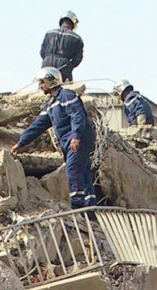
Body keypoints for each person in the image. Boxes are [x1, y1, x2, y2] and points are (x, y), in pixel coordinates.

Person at [12, 67, 96, 210]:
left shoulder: (66, 96)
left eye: (42, 82)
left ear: (51, 81)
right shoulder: (51, 104)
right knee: (82, 169)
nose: (40, 86)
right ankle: (90, 206)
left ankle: (78, 205)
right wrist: (21, 142)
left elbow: (77, 115)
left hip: (78, 138)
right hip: (68, 141)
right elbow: (37, 126)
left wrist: (76, 135)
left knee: (72, 170)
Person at [40, 11, 83, 82]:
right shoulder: (77, 38)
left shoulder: (49, 33)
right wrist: (68, 65)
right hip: (64, 65)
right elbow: (78, 59)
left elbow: (42, 52)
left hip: (47, 63)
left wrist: (48, 59)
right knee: (64, 89)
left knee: (44, 87)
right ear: (73, 23)